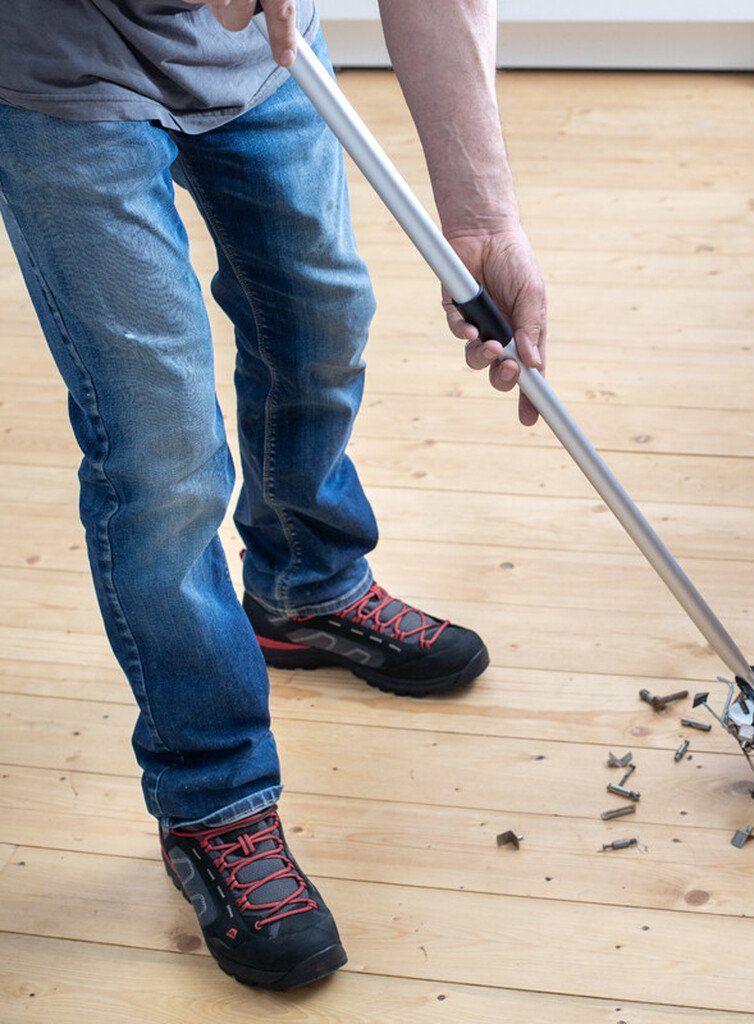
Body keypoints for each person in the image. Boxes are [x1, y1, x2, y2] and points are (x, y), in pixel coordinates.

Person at [0, 0, 546, 990]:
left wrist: (483, 221)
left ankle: (306, 585)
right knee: (160, 448)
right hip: (56, 69)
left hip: (255, 51)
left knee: (321, 321)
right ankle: (212, 793)